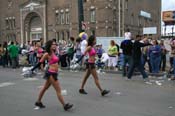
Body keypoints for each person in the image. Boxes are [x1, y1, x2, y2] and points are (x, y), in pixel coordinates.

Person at [31, 40, 73, 111]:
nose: (55, 45)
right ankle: (64, 105)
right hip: (51, 73)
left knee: (44, 88)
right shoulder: (46, 54)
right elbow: (39, 62)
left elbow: (57, 59)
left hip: (53, 73)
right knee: (58, 90)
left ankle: (38, 102)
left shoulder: (54, 52)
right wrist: (31, 70)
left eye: (55, 44)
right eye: (53, 44)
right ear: (49, 46)